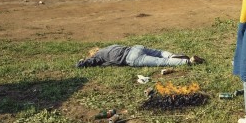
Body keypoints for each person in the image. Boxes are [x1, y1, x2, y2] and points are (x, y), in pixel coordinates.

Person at [75, 44, 205, 68]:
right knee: (159, 52)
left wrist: (82, 62)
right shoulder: (109, 46)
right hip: (135, 48)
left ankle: (189, 61)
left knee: (160, 62)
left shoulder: (98, 55)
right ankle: (175, 55)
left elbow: (89, 62)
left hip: (131, 58)